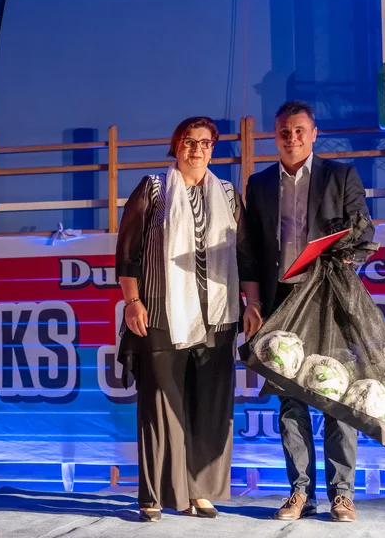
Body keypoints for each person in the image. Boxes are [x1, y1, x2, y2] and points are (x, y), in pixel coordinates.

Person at [241, 101, 373, 523]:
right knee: (290, 401)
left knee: (336, 396)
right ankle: (300, 492)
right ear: (274, 136)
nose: (292, 137)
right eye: (284, 131)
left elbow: (363, 231)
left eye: (299, 130)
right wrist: (254, 303)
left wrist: (341, 256)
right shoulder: (259, 183)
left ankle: (342, 494)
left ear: (314, 134)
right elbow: (251, 249)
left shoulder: (341, 175)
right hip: (281, 302)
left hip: (331, 300)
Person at [116, 116, 252, 522]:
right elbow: (128, 252)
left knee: (209, 406)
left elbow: (245, 255)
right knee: (161, 406)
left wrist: (253, 303)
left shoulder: (227, 194)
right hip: (161, 313)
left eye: (205, 143)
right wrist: (132, 301)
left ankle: (200, 491)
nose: (197, 149)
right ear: (176, 145)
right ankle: (155, 494)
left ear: (213, 149)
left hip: (218, 315)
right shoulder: (153, 188)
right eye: (189, 141)